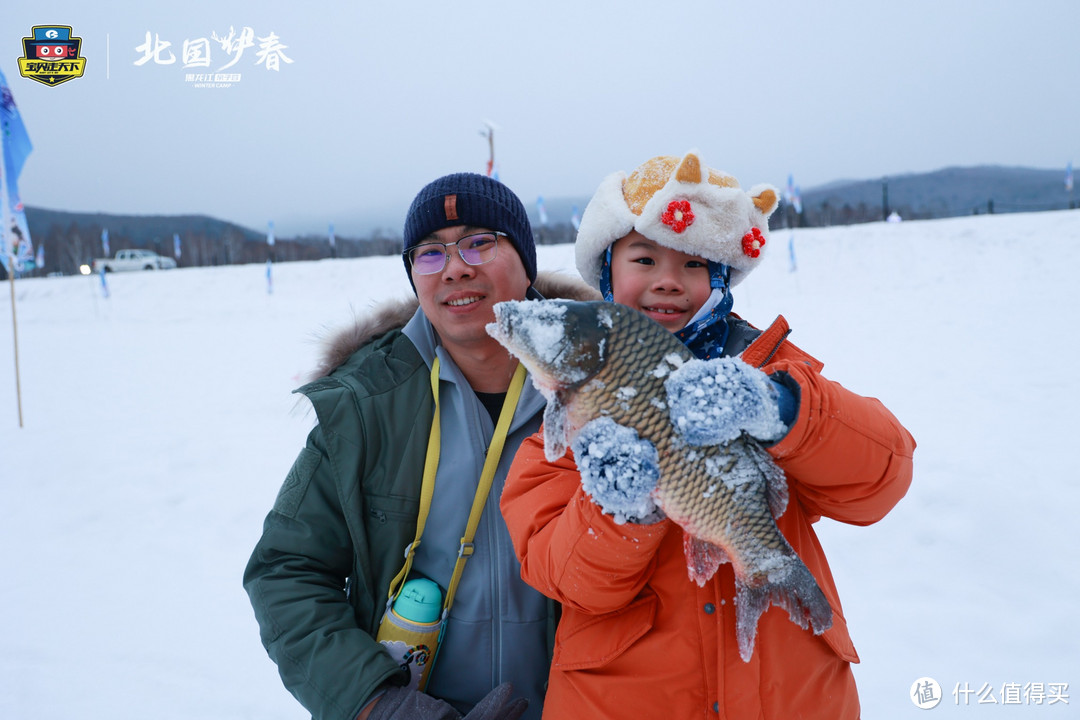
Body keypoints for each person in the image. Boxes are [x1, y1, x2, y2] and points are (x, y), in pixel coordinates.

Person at [499, 152, 916, 719]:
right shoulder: (567, 425)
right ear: (607, 274)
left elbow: (882, 480)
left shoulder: (771, 373)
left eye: (695, 265)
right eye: (644, 258)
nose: (668, 281)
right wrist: (617, 513)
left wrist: (780, 409)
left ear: (720, 279)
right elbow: (568, 580)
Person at [244, 172, 598, 720]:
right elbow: (287, 569)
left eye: (480, 241)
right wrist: (375, 703)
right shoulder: (368, 404)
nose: (455, 267)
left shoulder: (604, 383)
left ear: (526, 263)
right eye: (429, 253)